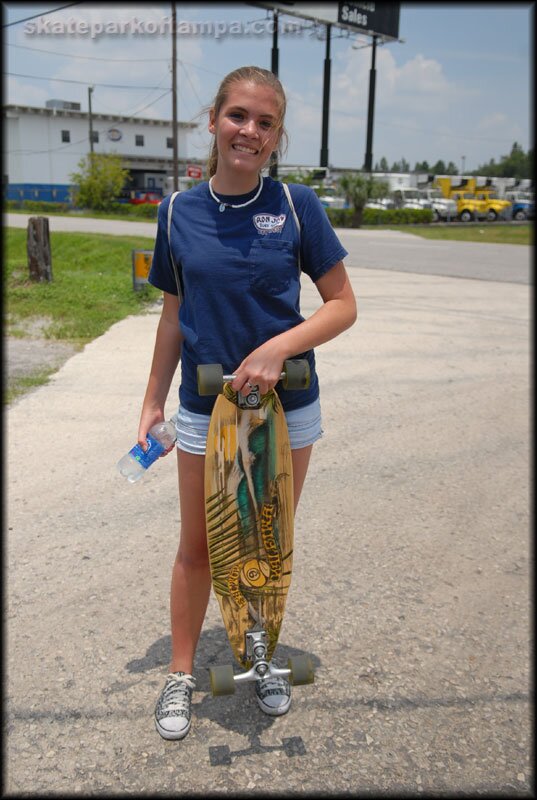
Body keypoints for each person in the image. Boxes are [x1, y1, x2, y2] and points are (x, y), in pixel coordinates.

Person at [138, 65, 357, 741]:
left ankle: (256, 654)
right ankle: (180, 672)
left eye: (264, 122)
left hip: (288, 406)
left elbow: (343, 305)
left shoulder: (296, 206)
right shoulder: (178, 211)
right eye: (237, 116)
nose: (249, 131)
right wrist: (151, 401)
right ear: (213, 120)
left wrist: (277, 349)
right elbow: (173, 315)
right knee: (199, 547)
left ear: (275, 134)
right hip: (207, 410)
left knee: (265, 540)